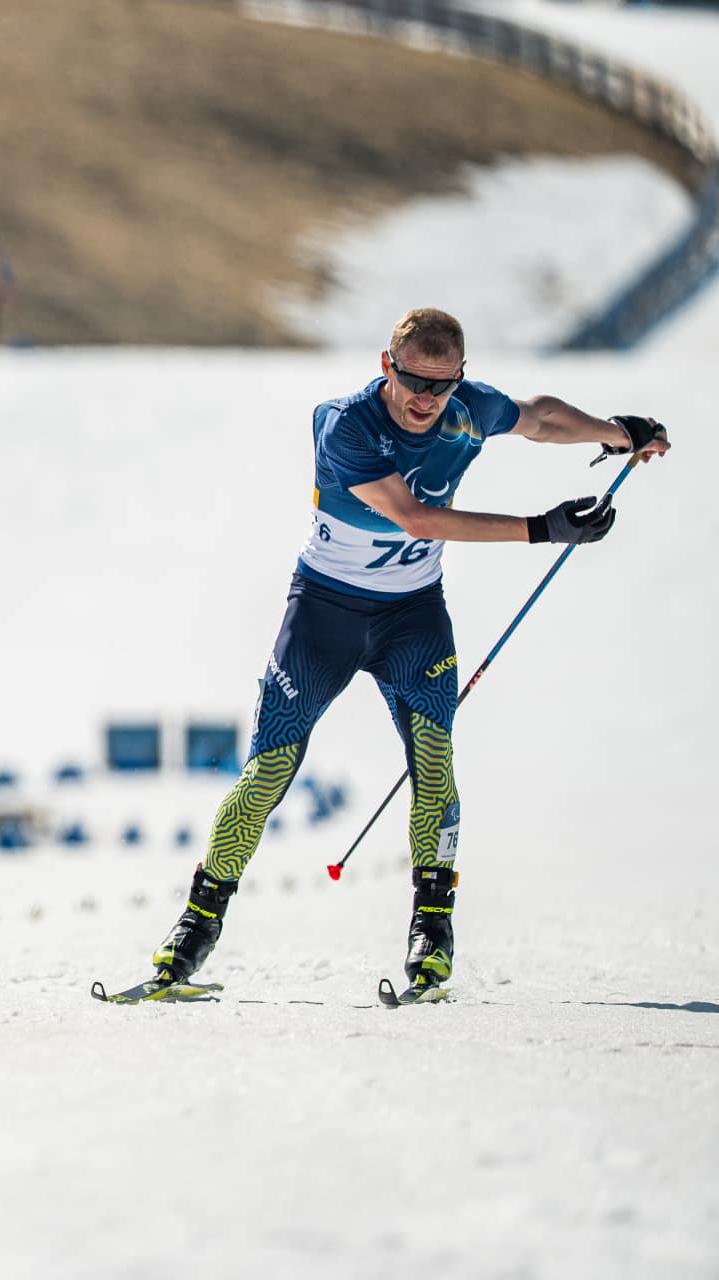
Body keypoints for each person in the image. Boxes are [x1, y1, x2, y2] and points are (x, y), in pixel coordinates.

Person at [140, 308, 669, 1002]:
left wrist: (618, 432)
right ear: (387, 367)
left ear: (459, 377)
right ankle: (197, 925)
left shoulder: (466, 408)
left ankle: (432, 931)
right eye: (414, 381)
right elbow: (415, 518)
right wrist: (543, 528)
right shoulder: (346, 424)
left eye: (442, 385)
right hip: (324, 615)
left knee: (434, 762)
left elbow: (538, 417)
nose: (427, 398)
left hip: (412, 617)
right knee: (268, 771)